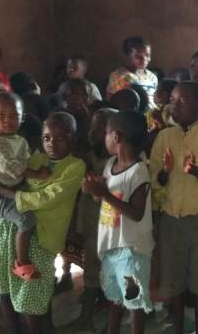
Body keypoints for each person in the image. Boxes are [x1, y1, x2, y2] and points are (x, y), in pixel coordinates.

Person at [0, 112, 86, 334]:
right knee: (6, 291)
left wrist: (5, 192)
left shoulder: (75, 167)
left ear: (74, 139)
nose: (52, 144)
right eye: (47, 138)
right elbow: (8, 176)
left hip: (40, 238)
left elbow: (47, 198)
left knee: (33, 299)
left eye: (60, 138)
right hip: (10, 229)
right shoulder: (36, 160)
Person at [149, 82, 198, 334]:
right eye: (172, 100)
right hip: (171, 217)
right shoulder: (164, 136)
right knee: (174, 279)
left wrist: (195, 170)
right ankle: (178, 327)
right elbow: (153, 177)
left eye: (183, 101)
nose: (175, 106)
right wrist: (166, 172)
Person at [82, 110, 153, 334]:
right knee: (115, 297)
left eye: (107, 132)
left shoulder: (139, 171)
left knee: (134, 301)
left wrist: (106, 194)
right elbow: (100, 199)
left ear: (117, 137)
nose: (104, 137)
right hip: (112, 245)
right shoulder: (111, 163)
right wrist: (92, 189)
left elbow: (136, 213)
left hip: (131, 249)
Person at [0, 92, 53, 281]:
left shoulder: (19, 141)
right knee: (26, 220)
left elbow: (30, 159)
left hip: (12, 190)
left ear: (22, 118)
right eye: (1, 116)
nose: (7, 120)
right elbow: (7, 165)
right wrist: (36, 174)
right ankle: (21, 263)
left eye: (14, 115)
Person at [61, 107, 118, 332]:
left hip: (107, 227)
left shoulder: (116, 161)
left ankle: (88, 318)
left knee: (99, 272)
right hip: (92, 226)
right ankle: (91, 314)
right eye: (93, 126)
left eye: (101, 127)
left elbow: (106, 192)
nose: (93, 132)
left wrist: (88, 166)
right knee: (92, 269)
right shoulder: (93, 154)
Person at [107, 37, 157, 108]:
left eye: (147, 55)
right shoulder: (119, 76)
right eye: (139, 56)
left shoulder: (152, 77)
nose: (144, 59)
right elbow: (111, 102)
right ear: (130, 54)